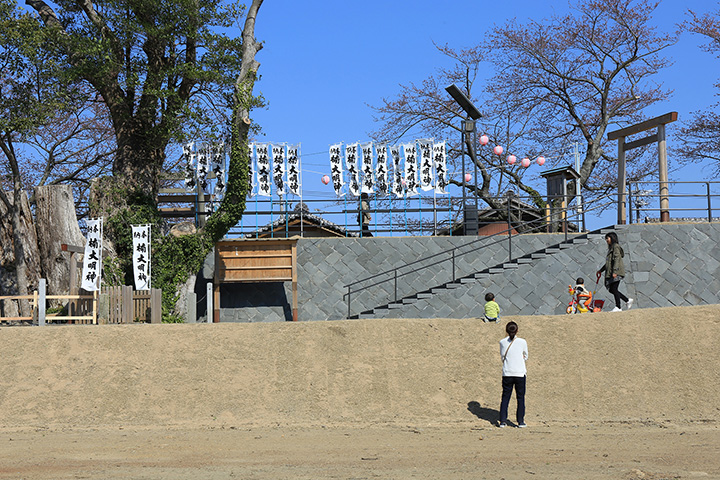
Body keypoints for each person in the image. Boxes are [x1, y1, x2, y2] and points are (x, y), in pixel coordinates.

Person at [498, 321, 528, 428]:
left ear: (506, 331)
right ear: (517, 330)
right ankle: (520, 421)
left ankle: (502, 421)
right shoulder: (522, 341)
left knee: (505, 397)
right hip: (520, 372)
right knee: (520, 398)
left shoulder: (502, 342)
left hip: (507, 372)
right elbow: (526, 355)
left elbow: (502, 356)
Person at [596, 232, 633, 312]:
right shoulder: (611, 248)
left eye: (607, 238)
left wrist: (615, 271)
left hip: (617, 272)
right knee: (612, 289)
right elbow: (608, 263)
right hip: (612, 271)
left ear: (612, 238)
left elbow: (616, 259)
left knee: (614, 289)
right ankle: (627, 300)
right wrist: (600, 270)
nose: (606, 240)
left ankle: (618, 307)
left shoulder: (615, 247)